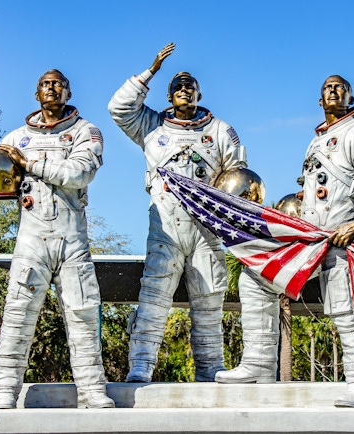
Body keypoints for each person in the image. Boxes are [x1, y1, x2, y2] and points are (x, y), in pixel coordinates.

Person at [216, 75, 354, 409]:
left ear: (350, 96)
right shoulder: (318, 139)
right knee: (257, 277)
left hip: (342, 239)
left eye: (339, 87)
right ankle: (258, 362)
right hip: (311, 238)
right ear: (319, 100)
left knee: (347, 308)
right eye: (327, 88)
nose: (333, 91)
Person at [0, 70, 114, 409]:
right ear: (36, 93)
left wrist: (29, 162)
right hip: (31, 237)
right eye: (45, 83)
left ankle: (92, 390)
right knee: (17, 313)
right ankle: (4, 390)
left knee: (83, 314)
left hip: (72, 238)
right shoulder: (15, 138)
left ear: (68, 91)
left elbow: (79, 174)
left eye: (58, 83)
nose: (51, 88)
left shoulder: (85, 132)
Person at [108, 43, 247, 383]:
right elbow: (118, 107)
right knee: (154, 297)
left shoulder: (220, 131)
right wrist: (151, 70)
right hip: (165, 227)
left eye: (190, 86)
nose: (184, 90)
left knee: (209, 299)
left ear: (200, 93)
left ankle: (210, 366)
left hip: (206, 229)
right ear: (168, 96)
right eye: (177, 87)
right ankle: (141, 364)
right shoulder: (152, 126)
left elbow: (239, 178)